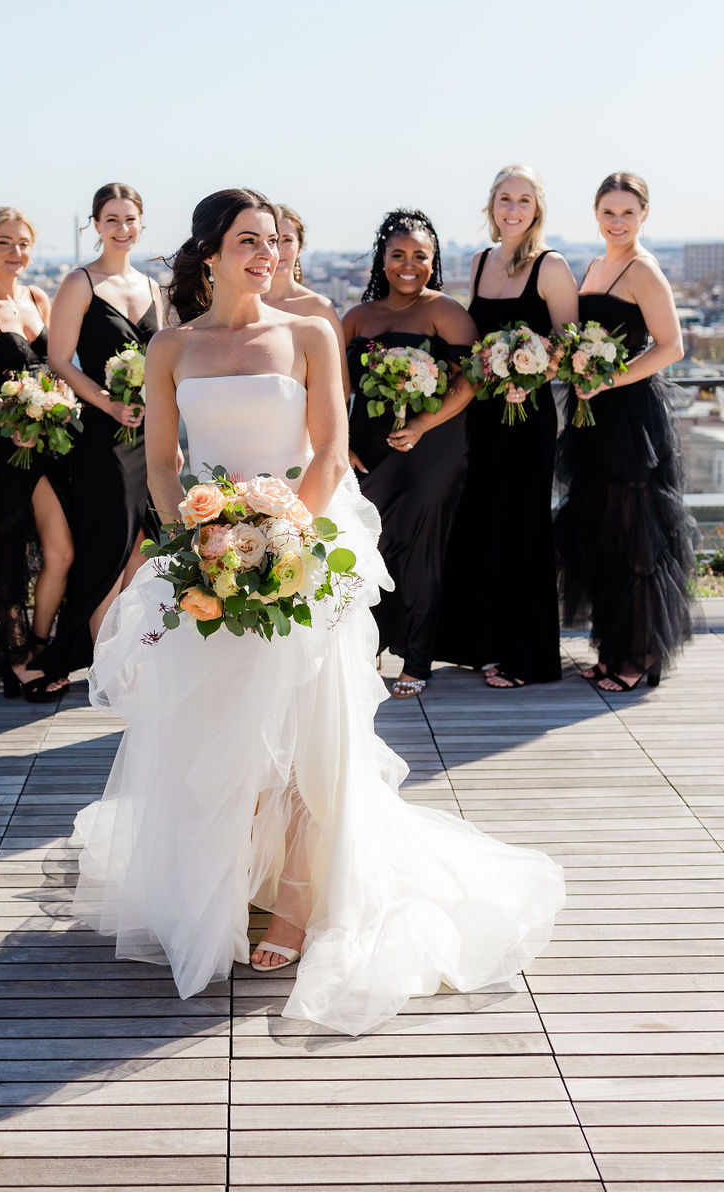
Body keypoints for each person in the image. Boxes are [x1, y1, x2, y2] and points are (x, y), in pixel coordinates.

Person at [71, 187, 564, 1037]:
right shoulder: (171, 346)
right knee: (219, 722)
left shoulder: (307, 332)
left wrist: (278, 541)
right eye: (249, 242)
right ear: (210, 254)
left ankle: (297, 902)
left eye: (274, 242)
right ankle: (235, 881)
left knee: (304, 727)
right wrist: (198, 538)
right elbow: (162, 462)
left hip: (300, 546)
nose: (267, 255)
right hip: (208, 552)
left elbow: (332, 450)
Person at [435, 166, 577, 688]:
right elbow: (474, 340)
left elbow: (568, 343)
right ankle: (481, 646)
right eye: (504, 199)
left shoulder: (550, 265)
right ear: (490, 206)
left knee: (523, 528)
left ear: (536, 208)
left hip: (528, 411)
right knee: (482, 522)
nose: (512, 208)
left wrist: (533, 372)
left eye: (523, 199)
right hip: (485, 414)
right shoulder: (478, 262)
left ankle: (526, 658)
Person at [556, 173, 695, 690]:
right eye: (609, 213)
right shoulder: (595, 264)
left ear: (644, 215)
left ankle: (637, 659)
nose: (618, 222)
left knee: (633, 536)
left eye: (628, 213)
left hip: (630, 416)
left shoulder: (644, 270)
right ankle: (611, 650)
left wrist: (607, 377)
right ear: (596, 214)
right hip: (592, 414)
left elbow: (671, 346)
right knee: (601, 533)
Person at [26, 182, 164, 695]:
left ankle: (125, 657)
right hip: (101, 437)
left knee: (140, 555)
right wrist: (109, 403)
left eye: (130, 219)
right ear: (96, 224)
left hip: (147, 436)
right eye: (111, 219)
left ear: (141, 222)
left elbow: (165, 363)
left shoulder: (154, 288)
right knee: (107, 553)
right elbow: (59, 360)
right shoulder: (78, 282)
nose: (122, 228)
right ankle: (106, 675)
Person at [342, 209, 477, 698]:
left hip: (432, 448)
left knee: (421, 552)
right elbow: (338, 393)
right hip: (368, 451)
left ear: (433, 259)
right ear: (383, 258)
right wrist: (344, 446)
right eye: (398, 254)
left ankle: (417, 660)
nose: (408, 264)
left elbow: (469, 381)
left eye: (420, 255)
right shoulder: (356, 318)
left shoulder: (446, 311)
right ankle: (367, 652)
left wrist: (421, 424)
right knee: (368, 550)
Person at [0, 207, 73, 697]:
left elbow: (56, 369)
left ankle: (42, 643)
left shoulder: (37, 298)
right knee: (5, 557)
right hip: (2, 449)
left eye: (23, 243)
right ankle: (16, 658)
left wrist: (55, 408)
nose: (15, 253)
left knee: (61, 552)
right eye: (4, 243)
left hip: (47, 445)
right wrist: (12, 423)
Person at [266, 203, 350, 395]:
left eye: (287, 240)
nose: (278, 249)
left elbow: (341, 388)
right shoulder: (242, 303)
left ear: (300, 247)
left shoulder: (319, 308)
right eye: (272, 240)